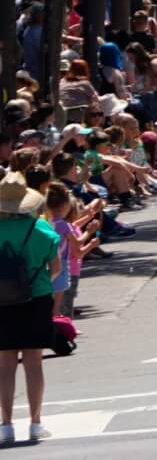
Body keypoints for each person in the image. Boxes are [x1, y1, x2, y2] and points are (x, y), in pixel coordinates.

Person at [0, 171, 61, 445]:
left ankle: (6, 425)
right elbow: (57, 269)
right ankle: (36, 423)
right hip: (36, 298)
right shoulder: (42, 229)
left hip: (1, 301)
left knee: (5, 365)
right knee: (34, 363)